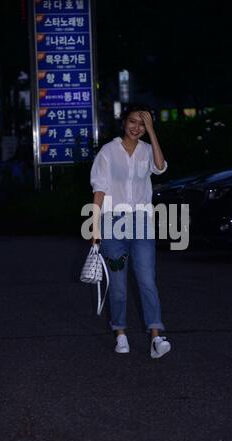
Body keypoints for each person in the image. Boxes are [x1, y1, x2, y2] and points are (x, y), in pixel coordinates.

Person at [90, 103, 171, 359]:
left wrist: (153, 133)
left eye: (143, 123)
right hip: (113, 222)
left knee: (147, 280)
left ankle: (156, 336)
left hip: (142, 221)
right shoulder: (108, 152)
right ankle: (120, 333)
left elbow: (160, 167)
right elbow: (99, 189)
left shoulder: (148, 150)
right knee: (119, 284)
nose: (137, 127)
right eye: (133, 121)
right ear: (124, 122)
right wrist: (94, 226)